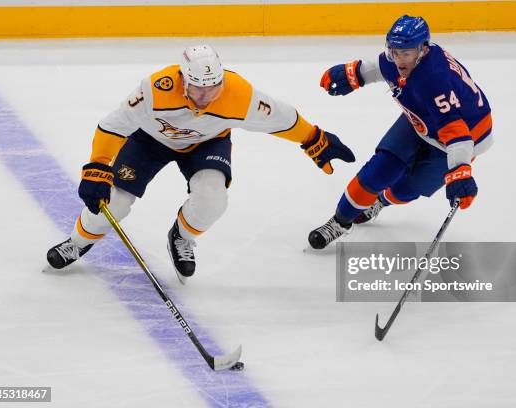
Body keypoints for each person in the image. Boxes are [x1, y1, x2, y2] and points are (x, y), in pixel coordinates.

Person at [47, 44, 355, 282]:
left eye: (214, 87)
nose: (207, 95)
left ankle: (182, 236)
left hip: (206, 143)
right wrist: (98, 167)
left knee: (213, 199)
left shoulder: (238, 94)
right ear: (182, 80)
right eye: (198, 87)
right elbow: (114, 125)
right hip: (148, 141)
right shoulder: (155, 89)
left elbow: (282, 118)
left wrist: (314, 138)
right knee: (113, 203)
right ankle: (77, 242)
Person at [308, 15, 493, 250]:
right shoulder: (397, 58)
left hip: (464, 137)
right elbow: (378, 67)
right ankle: (339, 222)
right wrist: (354, 74)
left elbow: (456, 132)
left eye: (405, 54)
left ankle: (381, 202)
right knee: (378, 171)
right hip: (421, 121)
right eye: (395, 51)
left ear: (423, 50)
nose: (399, 60)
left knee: (408, 188)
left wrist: (460, 171)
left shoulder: (435, 79)